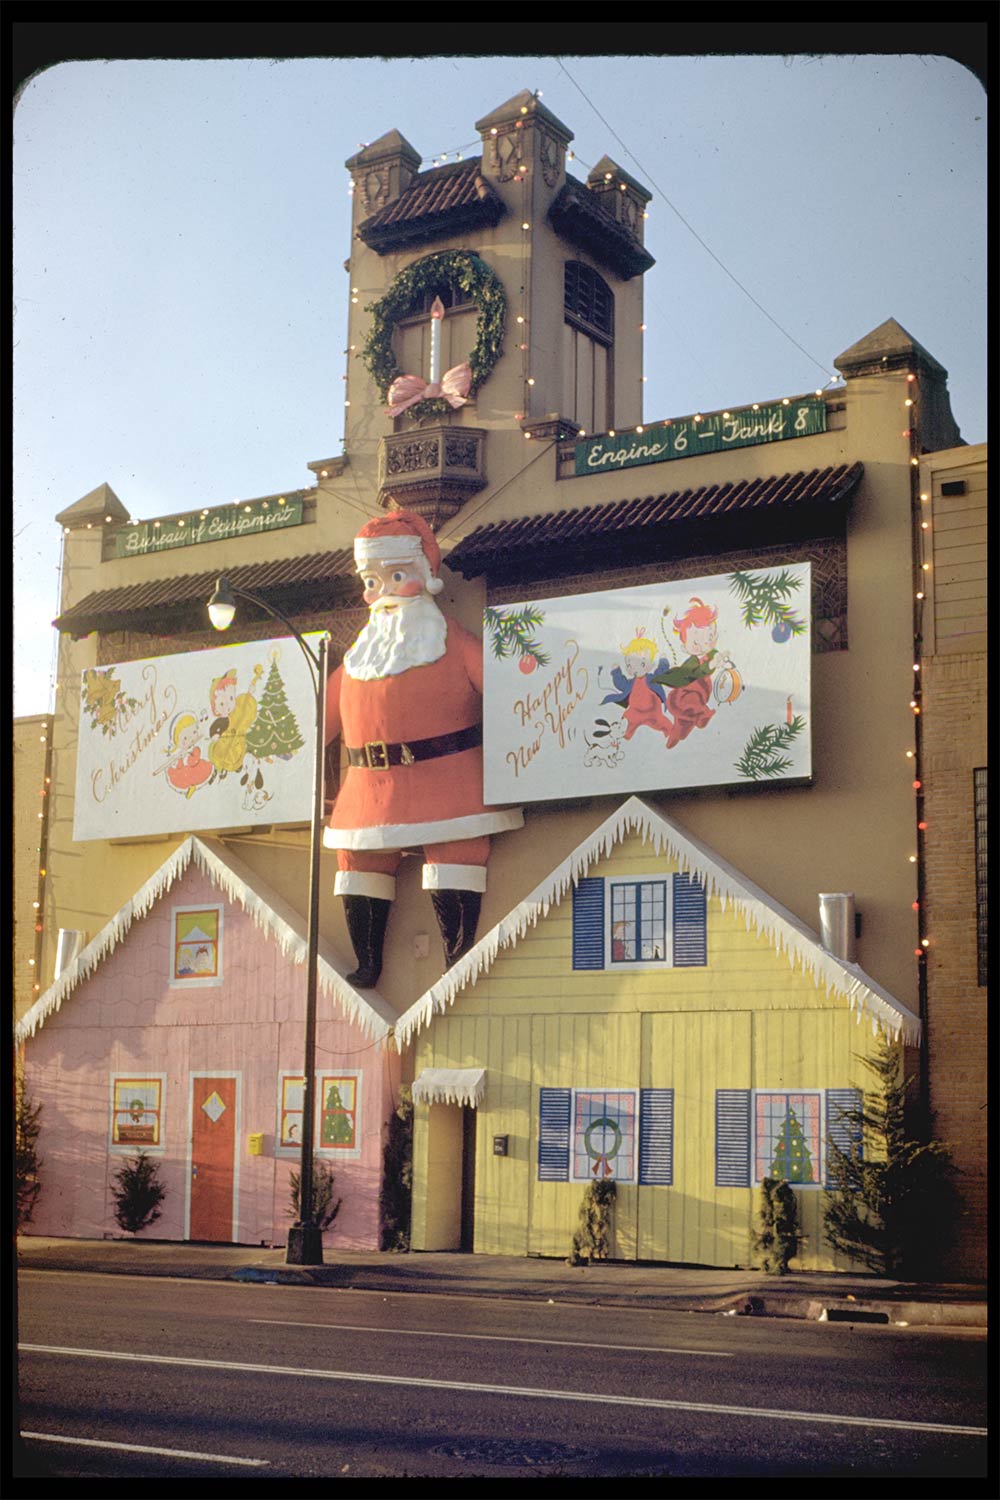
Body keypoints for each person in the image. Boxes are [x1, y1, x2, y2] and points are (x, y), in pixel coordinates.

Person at [324, 511, 523, 986]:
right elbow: (315, 725)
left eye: (397, 576)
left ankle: (457, 959)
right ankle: (368, 963)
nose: (385, 593)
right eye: (373, 581)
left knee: (456, 852)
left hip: (447, 782)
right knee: (358, 865)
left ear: (427, 576)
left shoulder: (450, 642)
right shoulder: (357, 658)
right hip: (366, 793)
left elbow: (509, 691)